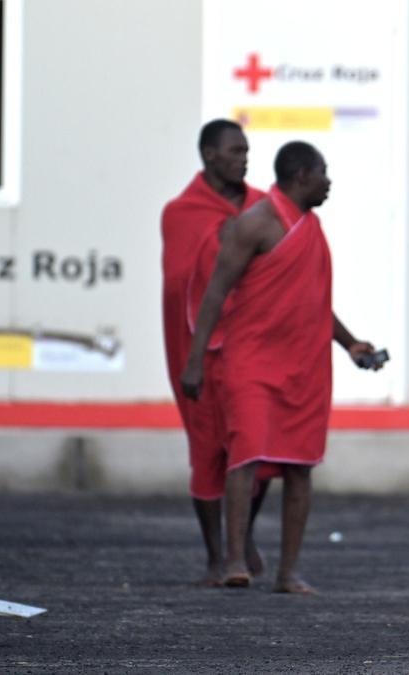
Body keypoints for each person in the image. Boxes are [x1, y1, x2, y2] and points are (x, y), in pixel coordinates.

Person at [181, 141, 382, 594]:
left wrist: (350, 344)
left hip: (304, 367)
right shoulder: (254, 224)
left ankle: (288, 572)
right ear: (301, 176)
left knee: (300, 467)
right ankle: (235, 561)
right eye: (323, 173)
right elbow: (215, 293)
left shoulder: (310, 226)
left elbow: (313, 301)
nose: (329, 182)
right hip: (251, 362)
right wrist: (195, 361)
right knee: (245, 457)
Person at [160, 119, 271, 586]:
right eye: (233, 151)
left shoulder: (264, 206)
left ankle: (240, 538)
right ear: (208, 155)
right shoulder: (181, 212)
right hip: (200, 349)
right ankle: (215, 554)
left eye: (246, 149)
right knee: (207, 452)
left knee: (261, 450)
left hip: (252, 346)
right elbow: (180, 283)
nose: (243, 157)